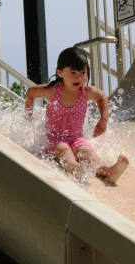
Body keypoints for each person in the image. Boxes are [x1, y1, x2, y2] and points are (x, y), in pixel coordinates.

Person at [25, 47, 129, 183]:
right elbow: (31, 93)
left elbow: (102, 97)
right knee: (64, 150)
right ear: (60, 73)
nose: (78, 78)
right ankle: (76, 168)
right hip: (53, 138)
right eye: (73, 73)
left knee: (87, 152)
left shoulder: (86, 91)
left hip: (76, 138)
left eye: (82, 73)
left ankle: (109, 171)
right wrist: (29, 115)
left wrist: (103, 120)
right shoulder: (52, 90)